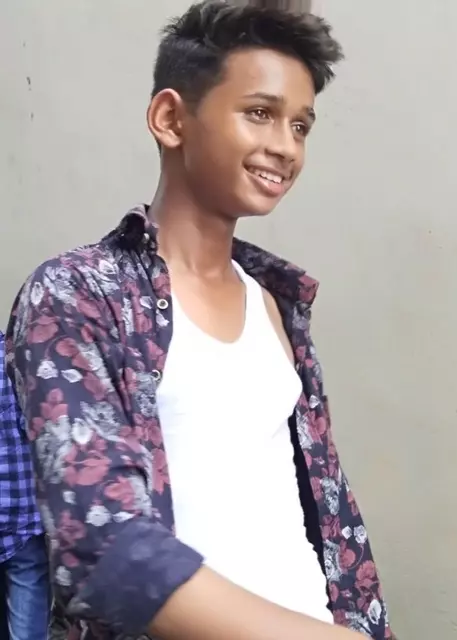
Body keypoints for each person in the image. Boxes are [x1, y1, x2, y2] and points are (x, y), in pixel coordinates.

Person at [5, 2, 394, 639]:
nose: (285, 146)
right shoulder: (78, 294)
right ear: (170, 118)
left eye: (301, 126)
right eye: (260, 113)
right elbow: (105, 549)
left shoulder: (277, 301)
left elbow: (319, 512)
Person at [0, 330, 51, 640]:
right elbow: (38, 428)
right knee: (28, 631)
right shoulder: (16, 356)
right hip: (23, 520)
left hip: (21, 523)